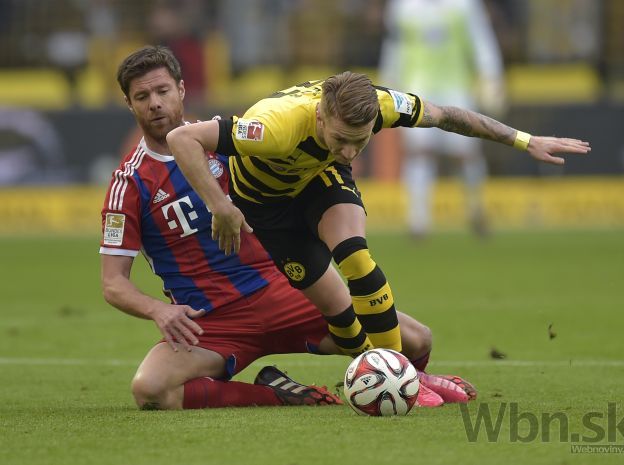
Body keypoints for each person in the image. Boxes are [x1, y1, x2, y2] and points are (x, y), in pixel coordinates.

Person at [101, 45, 472, 411]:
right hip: (211, 321)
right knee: (150, 390)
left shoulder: (230, 139)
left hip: (290, 291)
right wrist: (158, 311)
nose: (155, 103)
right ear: (129, 104)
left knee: (417, 340)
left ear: (181, 90)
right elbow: (113, 283)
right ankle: (278, 394)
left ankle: (410, 381)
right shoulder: (129, 184)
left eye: (163, 91)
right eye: (142, 96)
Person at [167, 71, 589, 371]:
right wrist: (220, 205)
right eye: (340, 140)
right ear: (319, 118)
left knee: (355, 256)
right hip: (266, 207)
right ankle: (381, 376)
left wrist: (524, 139)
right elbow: (182, 138)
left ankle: (405, 379)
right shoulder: (274, 127)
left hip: (319, 179)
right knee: (342, 320)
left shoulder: (381, 107)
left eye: (360, 141)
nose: (351, 152)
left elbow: (448, 116)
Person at [379, 0, 505, 237]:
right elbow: (394, 47)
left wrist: (491, 76)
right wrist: (389, 83)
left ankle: (476, 211)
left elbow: (481, 40)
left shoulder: (464, 5)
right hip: (416, 89)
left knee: (465, 154)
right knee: (419, 152)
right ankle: (418, 222)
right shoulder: (402, 7)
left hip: (456, 89)